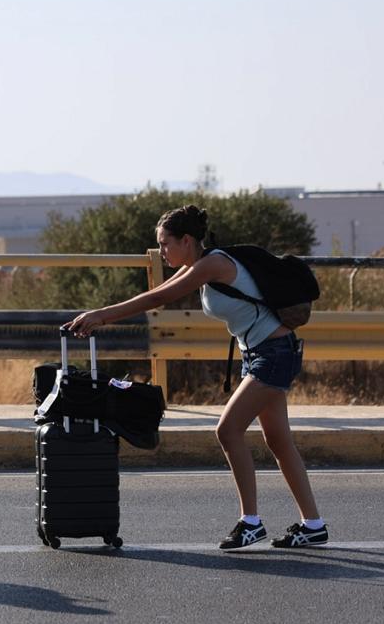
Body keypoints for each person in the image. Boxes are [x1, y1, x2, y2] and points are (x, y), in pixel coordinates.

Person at [65, 204, 327, 550]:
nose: (161, 251)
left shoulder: (213, 264)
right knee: (278, 442)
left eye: (165, 244)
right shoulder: (199, 264)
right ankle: (313, 525)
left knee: (227, 430)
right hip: (261, 354)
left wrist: (101, 315)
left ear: (186, 240)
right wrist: (101, 316)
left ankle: (251, 523)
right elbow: (157, 294)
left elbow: (159, 297)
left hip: (273, 355)